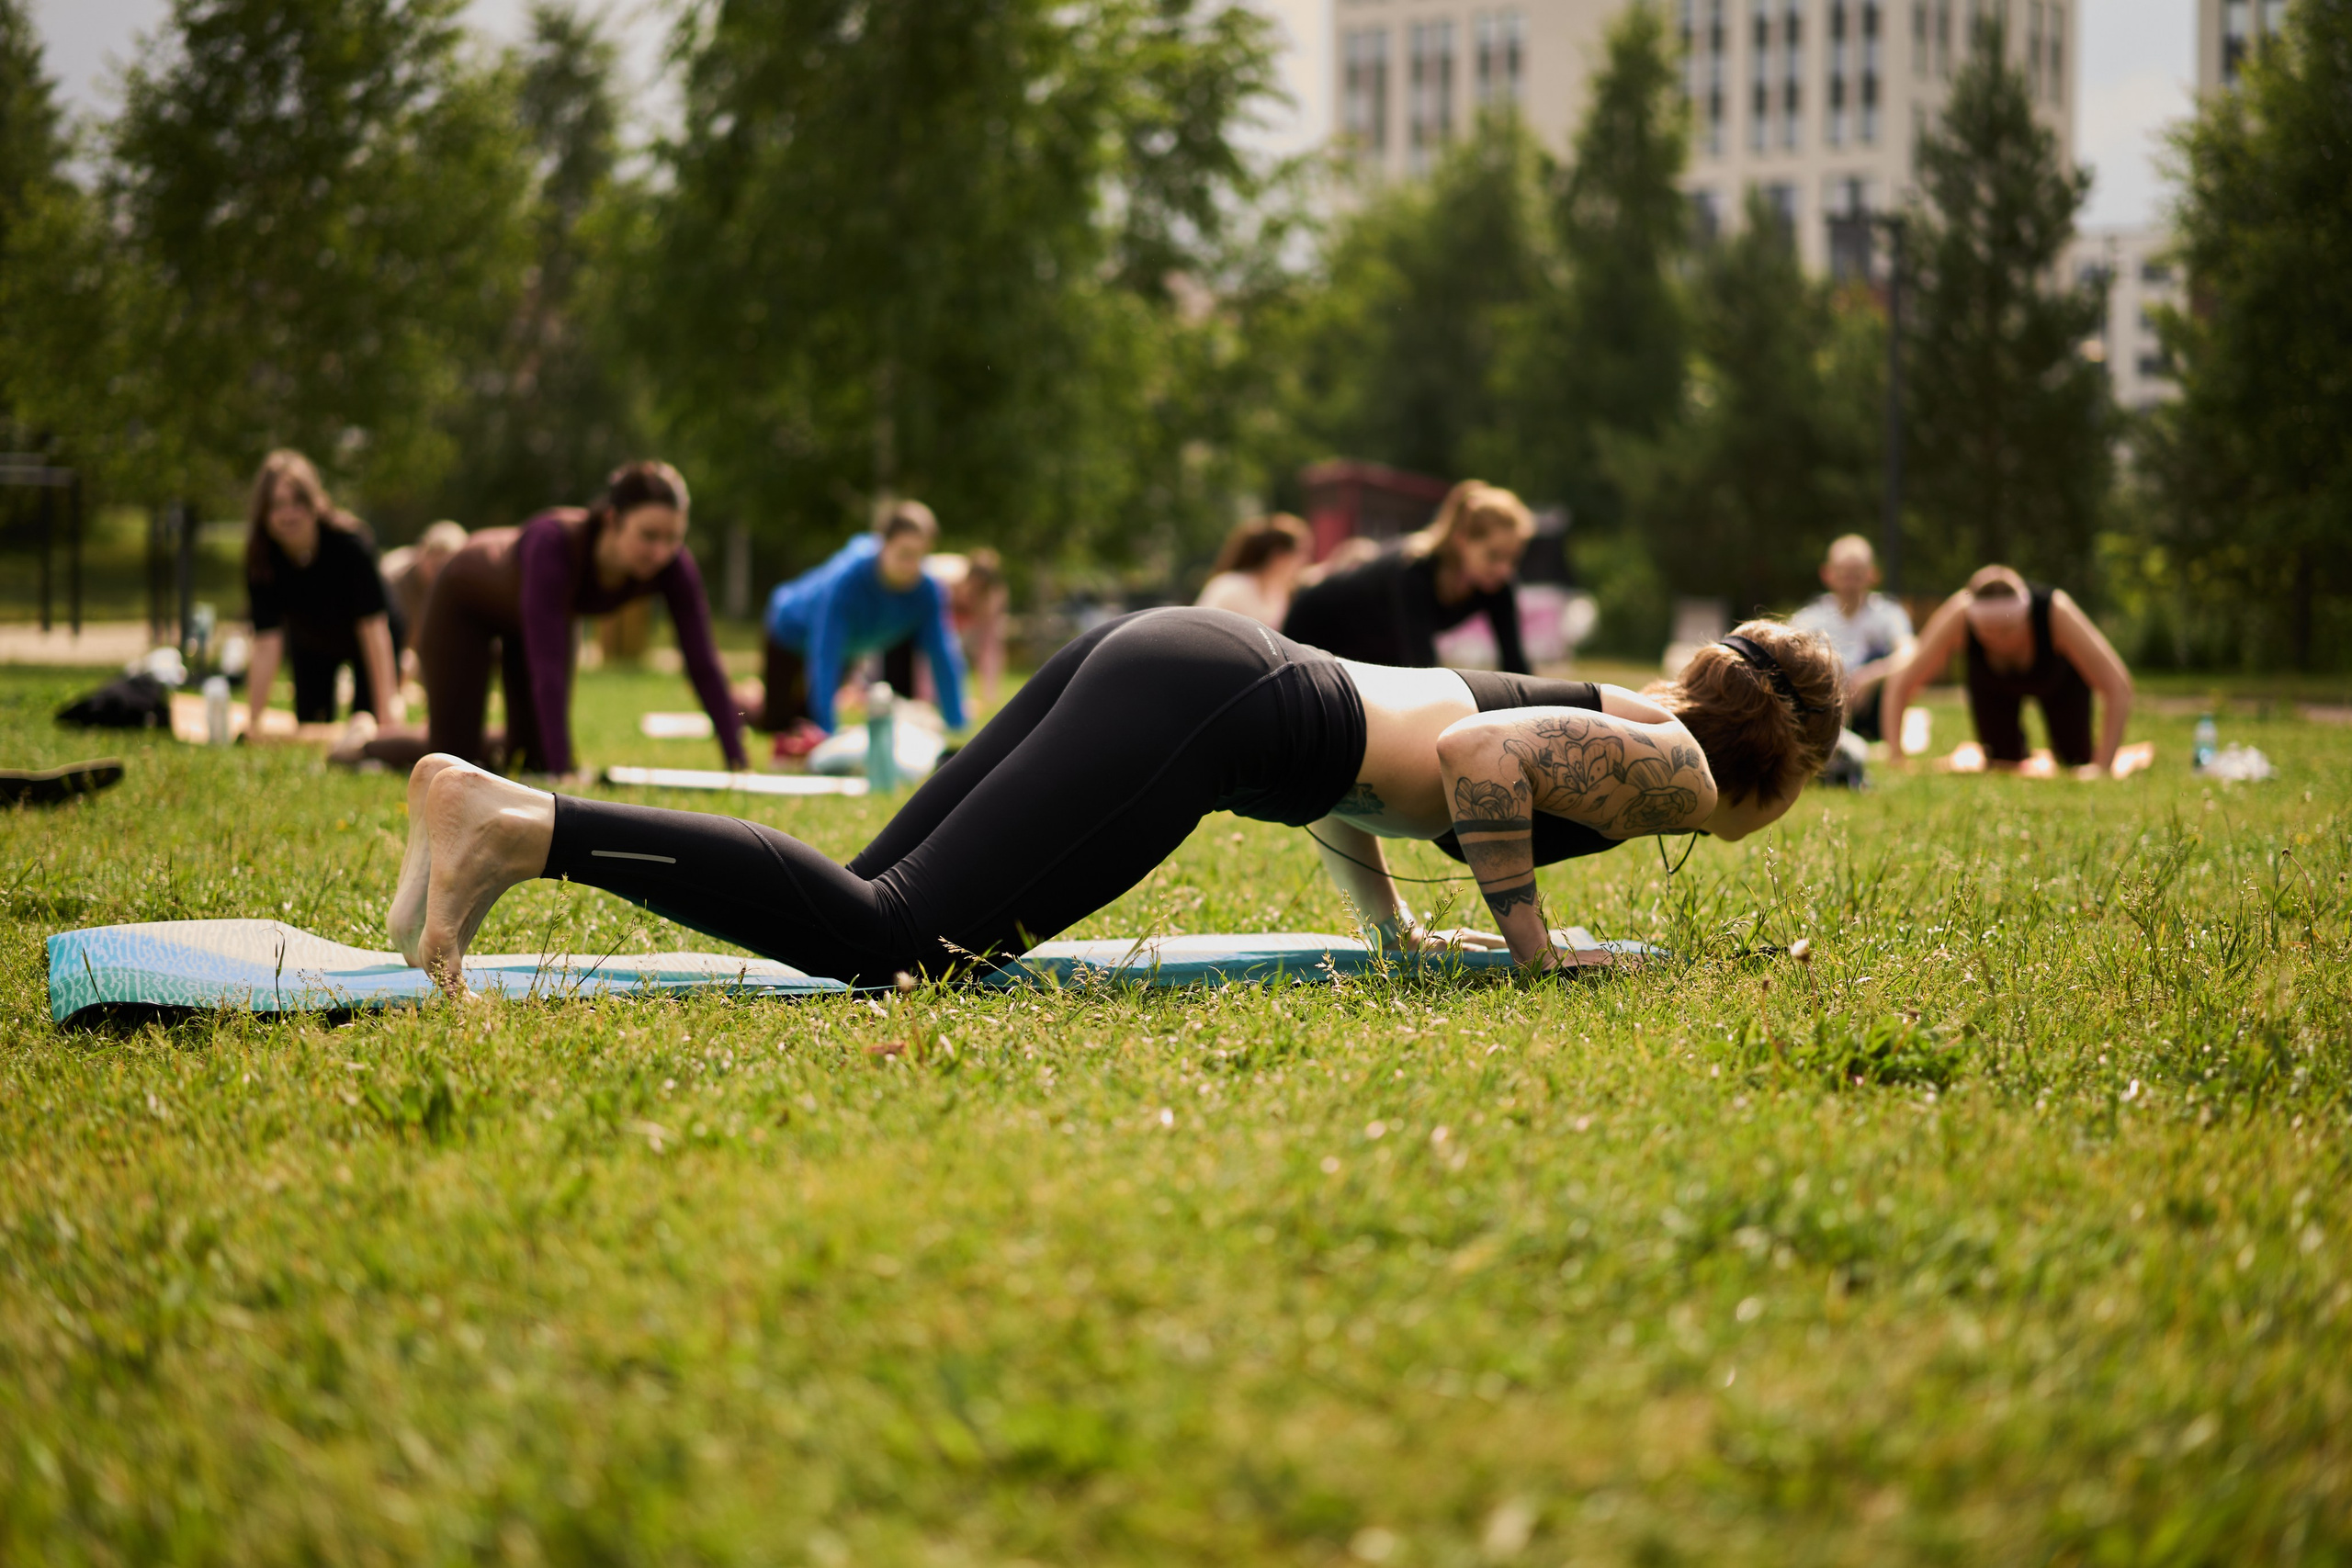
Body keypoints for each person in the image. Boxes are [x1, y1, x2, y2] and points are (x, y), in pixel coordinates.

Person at [387, 607, 1842, 991]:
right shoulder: (1679, 766)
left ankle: (489, 815)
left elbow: (1379, 785)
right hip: (1219, 702)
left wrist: (1396, 925)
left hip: (1201, 664)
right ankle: (520, 827)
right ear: (1777, 763)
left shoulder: (1630, 716)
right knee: (895, 939)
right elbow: (1468, 769)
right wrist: (1531, 938)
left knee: (863, 901)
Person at [360, 462, 745, 777]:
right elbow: (549, 670)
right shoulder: (556, 543)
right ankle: (362, 746)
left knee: (532, 760)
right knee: (453, 762)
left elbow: (703, 662)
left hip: (528, 622)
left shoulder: (673, 566)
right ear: (612, 519)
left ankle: (509, 744)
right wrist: (565, 776)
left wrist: (737, 762)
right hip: (465, 603)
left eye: (673, 537)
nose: (661, 551)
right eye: (648, 535)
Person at [758, 501, 969, 757]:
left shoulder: (927, 591)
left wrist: (956, 722)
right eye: (904, 554)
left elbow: (942, 652)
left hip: (845, 652)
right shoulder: (847, 579)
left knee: (801, 720)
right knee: (774, 722)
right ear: (883, 544)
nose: (911, 565)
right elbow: (825, 652)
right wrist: (828, 731)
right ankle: (737, 704)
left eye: (919, 556)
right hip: (789, 632)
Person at [1882, 565, 2135, 776]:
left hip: (2060, 683)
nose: (1998, 642)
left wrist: (2103, 767)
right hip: (1992, 688)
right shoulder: (1959, 613)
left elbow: (2118, 686)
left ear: (2025, 618)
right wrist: (1895, 756)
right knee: (2003, 763)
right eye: (1987, 633)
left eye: (2006, 631)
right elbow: (1901, 684)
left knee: (2075, 760)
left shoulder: (2055, 611)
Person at [1282, 480, 1536, 672]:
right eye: (1494, 556)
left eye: (1513, 558)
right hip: (1316, 624)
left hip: (1374, 648)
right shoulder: (1415, 570)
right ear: (1461, 539)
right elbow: (1423, 666)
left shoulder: (1498, 585)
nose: (1504, 569)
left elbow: (1515, 662)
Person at [243, 450, 403, 737]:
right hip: (311, 640)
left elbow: (374, 629)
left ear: (314, 503)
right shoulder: (262, 561)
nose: (289, 513)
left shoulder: (350, 546)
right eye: (278, 505)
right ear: (264, 513)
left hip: (366, 640)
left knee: (369, 726)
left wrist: (387, 713)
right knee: (311, 724)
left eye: (297, 502)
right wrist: (253, 722)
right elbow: (266, 642)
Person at [1791, 535, 1914, 741]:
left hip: (1874, 708)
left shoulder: (1888, 613)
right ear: (1827, 574)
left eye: (1856, 575)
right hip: (1824, 705)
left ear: (1872, 575)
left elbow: (1910, 652)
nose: (1849, 583)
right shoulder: (1809, 618)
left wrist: (1872, 674)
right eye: (1843, 574)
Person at [379, 520, 469, 679]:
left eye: (445, 565)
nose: (438, 571)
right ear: (422, 553)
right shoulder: (391, 578)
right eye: (435, 564)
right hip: (394, 656)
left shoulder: (459, 583)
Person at [1195, 514, 1311, 629]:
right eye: (1300, 552)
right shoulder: (1230, 587)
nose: (1305, 560)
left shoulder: (1283, 592)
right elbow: (1201, 628)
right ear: (1278, 556)